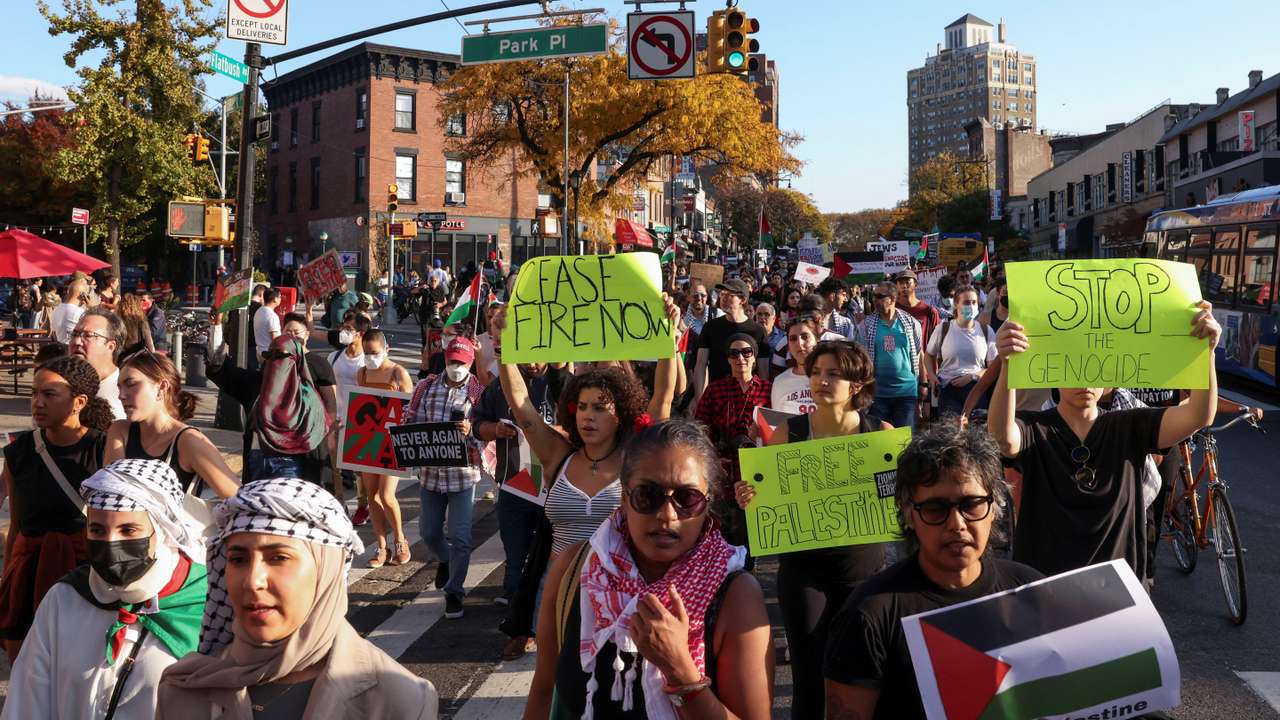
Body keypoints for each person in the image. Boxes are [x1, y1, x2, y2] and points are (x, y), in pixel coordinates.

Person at [525, 419, 774, 720]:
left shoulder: (734, 594)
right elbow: (542, 692)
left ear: (708, 505)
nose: (666, 515)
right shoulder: (575, 569)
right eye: (647, 495)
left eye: (687, 499)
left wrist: (680, 671)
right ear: (624, 497)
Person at [156, 478, 438, 718]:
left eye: (279, 558)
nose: (253, 582)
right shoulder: (184, 689)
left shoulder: (401, 700)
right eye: (239, 559)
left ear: (325, 571)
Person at [823, 423, 1043, 719]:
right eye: (936, 509)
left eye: (972, 504)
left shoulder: (1030, 590)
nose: (957, 524)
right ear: (908, 513)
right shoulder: (869, 615)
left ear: (994, 505)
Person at [987, 302, 1221, 580]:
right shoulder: (1034, 428)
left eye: (1094, 366)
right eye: (1073, 366)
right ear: (1052, 370)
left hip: (1119, 593)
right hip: (1047, 591)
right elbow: (1002, 438)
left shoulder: (1129, 424)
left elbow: (1199, 415)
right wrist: (1008, 364)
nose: (1085, 379)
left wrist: (1206, 353)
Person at [736, 341, 890, 720]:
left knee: (861, 675)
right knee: (809, 676)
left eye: (833, 374)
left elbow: (895, 499)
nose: (821, 380)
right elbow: (766, 495)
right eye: (817, 372)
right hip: (804, 571)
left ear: (856, 384)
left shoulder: (880, 434)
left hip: (862, 572)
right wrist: (749, 495)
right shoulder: (789, 432)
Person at [2, 459, 209, 720]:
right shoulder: (65, 599)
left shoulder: (206, 605)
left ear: (162, 531)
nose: (110, 543)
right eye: (97, 530)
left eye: (129, 529)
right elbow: (28, 699)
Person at [0, 355, 111, 662]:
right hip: (27, 572)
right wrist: (8, 580)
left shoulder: (104, 449)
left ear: (79, 402)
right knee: (22, 665)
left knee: (73, 667)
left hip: (83, 574)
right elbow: (19, 524)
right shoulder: (18, 452)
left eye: (49, 394)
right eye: (34, 393)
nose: (37, 402)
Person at [402, 337, 489, 617]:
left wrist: (471, 432)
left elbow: (486, 436)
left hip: (462, 476)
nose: (456, 367)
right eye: (452, 362)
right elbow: (410, 420)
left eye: (461, 363)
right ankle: (446, 560)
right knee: (429, 533)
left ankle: (454, 592)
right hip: (430, 475)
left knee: (461, 536)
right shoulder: (425, 387)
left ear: (470, 363)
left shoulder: (478, 392)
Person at [104, 351, 240, 498]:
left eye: (130, 384)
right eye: (119, 387)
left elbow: (240, 498)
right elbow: (110, 491)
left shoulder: (189, 441)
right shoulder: (120, 431)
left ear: (162, 387)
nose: (121, 395)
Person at [696, 333, 771, 547]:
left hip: (758, 473)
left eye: (747, 352)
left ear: (754, 357)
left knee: (755, 538)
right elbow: (700, 431)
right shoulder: (715, 390)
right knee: (726, 538)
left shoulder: (769, 389)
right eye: (734, 353)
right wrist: (711, 460)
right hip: (725, 473)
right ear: (728, 359)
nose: (741, 358)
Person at [357, 329, 415, 568]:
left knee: (386, 495)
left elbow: (410, 408)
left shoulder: (398, 372)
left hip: (392, 443)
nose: (370, 357)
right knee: (371, 496)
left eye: (375, 353)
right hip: (369, 441)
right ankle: (382, 546)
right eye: (367, 352)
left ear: (385, 350)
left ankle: (400, 539)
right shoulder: (362, 373)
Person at [857, 281, 925, 430]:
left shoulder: (911, 323)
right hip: (878, 394)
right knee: (879, 442)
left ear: (893, 299)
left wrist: (924, 384)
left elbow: (920, 354)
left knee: (905, 440)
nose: (875, 300)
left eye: (880, 296)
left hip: (906, 392)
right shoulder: (865, 326)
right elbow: (861, 361)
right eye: (873, 296)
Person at [692, 279, 769, 408]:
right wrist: (701, 399)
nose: (723, 298)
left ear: (743, 300)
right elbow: (700, 364)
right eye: (722, 294)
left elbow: (763, 370)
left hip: (748, 399)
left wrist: (761, 402)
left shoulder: (757, 330)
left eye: (729, 295)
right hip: (717, 397)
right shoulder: (710, 327)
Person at [923, 285, 997, 420]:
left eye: (974, 302)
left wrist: (972, 377)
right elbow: (929, 355)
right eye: (966, 302)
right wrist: (932, 376)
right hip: (948, 391)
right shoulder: (943, 329)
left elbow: (992, 367)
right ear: (957, 304)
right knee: (951, 436)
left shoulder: (986, 331)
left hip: (977, 391)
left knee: (976, 436)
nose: (971, 306)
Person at [329, 313, 372, 525]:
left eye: (348, 328)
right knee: (335, 468)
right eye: (343, 326)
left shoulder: (369, 360)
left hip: (360, 422)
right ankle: (338, 503)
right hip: (336, 419)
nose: (343, 331)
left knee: (360, 470)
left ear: (360, 334)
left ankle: (363, 505)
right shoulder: (334, 357)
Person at [69, 306, 127, 420]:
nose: (76, 342)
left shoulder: (126, 394)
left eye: (88, 336)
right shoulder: (62, 384)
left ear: (111, 346)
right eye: (74, 334)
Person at [770, 313, 823, 415]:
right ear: (788, 346)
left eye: (805, 337)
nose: (799, 343)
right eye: (793, 339)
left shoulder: (831, 378)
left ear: (817, 340)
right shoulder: (780, 382)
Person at [894, 269, 941, 345]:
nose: (904, 286)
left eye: (908, 282)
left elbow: (938, 340)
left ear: (916, 284)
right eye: (901, 283)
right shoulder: (892, 310)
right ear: (896, 286)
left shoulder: (929, 311)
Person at [116, 292, 157, 359]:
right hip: (138, 356)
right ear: (136, 306)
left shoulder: (117, 320)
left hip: (122, 356)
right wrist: (154, 357)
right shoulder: (141, 319)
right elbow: (149, 341)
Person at [50, 277, 90, 344]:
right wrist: (90, 307)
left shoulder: (57, 308)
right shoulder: (80, 312)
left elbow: (54, 331)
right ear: (82, 295)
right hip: (73, 348)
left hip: (59, 346)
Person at [756, 302, 787, 378]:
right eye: (759, 314)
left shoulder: (783, 337)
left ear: (774, 319)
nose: (762, 317)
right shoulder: (749, 337)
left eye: (766, 314)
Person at [252, 287, 282, 360]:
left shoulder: (259, 311)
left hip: (259, 351)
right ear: (275, 299)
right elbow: (275, 339)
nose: (281, 299)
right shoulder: (272, 316)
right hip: (269, 354)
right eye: (280, 297)